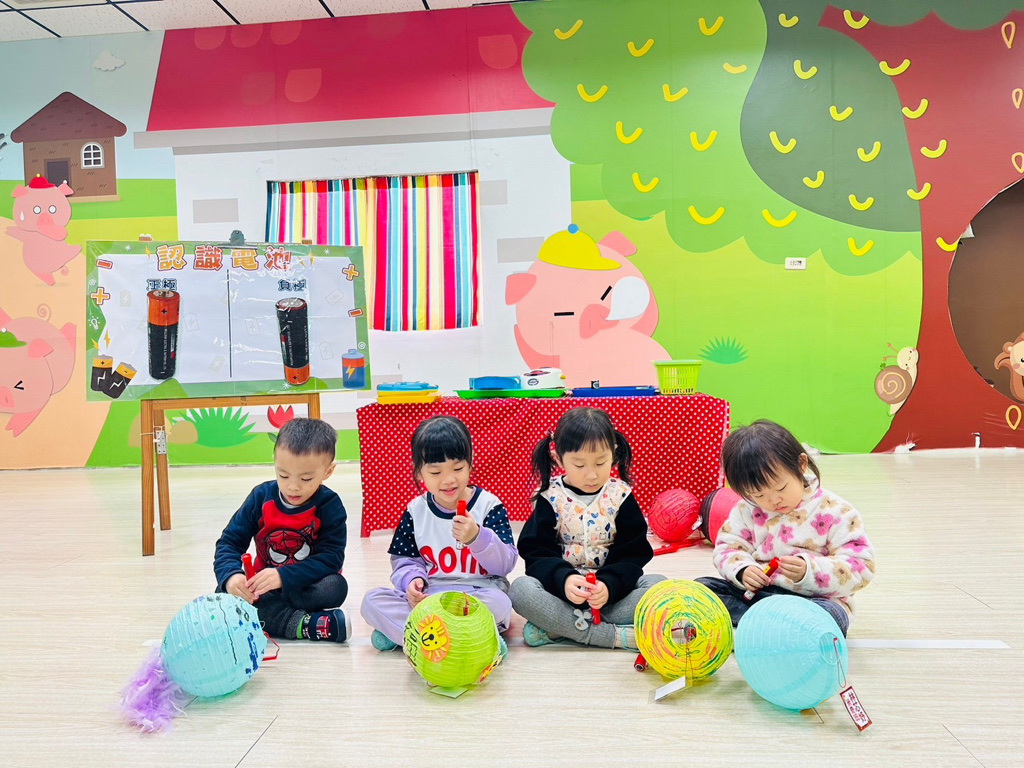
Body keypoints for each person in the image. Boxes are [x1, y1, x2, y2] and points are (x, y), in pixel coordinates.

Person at [696, 419, 875, 636]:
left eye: (780, 488)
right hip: (759, 596)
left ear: (801, 465)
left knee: (831, 615)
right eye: (758, 494)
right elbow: (728, 548)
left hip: (813, 601)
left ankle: (754, 626)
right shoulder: (746, 510)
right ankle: (774, 628)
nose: (773, 501)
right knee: (702, 589)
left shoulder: (837, 511)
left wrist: (810, 571)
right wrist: (742, 570)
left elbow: (862, 567)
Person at [360, 415, 517, 653]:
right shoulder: (416, 511)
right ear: (419, 473)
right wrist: (413, 581)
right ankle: (466, 640)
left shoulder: (489, 505)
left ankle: (416, 637)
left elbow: (505, 565)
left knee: (500, 604)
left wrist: (477, 537)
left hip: (478, 594)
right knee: (372, 601)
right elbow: (404, 561)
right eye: (435, 472)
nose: (448, 480)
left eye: (458, 468)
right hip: (430, 598)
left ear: (470, 464)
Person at [510, 407, 664, 649]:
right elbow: (537, 552)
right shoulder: (550, 497)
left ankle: (560, 628)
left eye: (601, 463)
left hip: (609, 598)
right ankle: (613, 636)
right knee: (520, 590)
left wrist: (608, 586)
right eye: (579, 465)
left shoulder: (620, 495)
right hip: (562, 596)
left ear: (613, 453)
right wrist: (565, 579)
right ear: (558, 459)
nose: (591, 475)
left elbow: (633, 553)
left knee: (660, 586)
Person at [213, 417, 350, 642]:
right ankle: (305, 624)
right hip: (261, 587)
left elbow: (331, 559)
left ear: (328, 472)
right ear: (275, 462)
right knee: (224, 592)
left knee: (335, 587)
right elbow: (229, 542)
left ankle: (270, 616)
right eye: (283, 475)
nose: (292, 486)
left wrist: (283, 576)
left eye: (306, 478)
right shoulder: (260, 497)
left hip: (303, 586)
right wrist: (232, 576)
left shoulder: (329, 505)